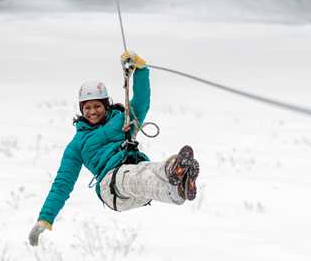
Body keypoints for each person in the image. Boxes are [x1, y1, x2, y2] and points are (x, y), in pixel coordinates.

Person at [28, 51, 200, 246]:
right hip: (111, 187)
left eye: (97, 106)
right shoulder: (77, 144)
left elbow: (141, 101)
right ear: (81, 110)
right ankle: (171, 170)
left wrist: (141, 70)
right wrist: (45, 219)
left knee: (146, 171)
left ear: (106, 105)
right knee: (132, 175)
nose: (92, 111)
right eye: (87, 108)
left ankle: (178, 190)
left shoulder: (123, 118)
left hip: (137, 181)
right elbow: (62, 184)